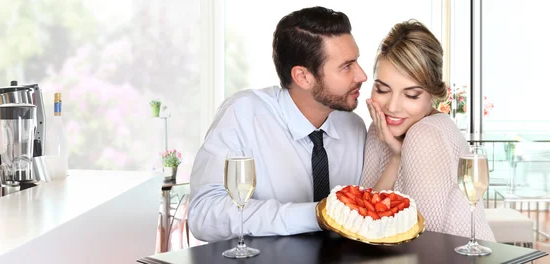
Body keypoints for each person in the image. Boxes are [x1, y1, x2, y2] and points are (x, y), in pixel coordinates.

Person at [188, 6, 368, 242]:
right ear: (303, 77)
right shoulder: (243, 115)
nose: (362, 75)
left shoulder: (354, 126)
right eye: (347, 66)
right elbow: (204, 215)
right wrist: (314, 215)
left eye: (357, 62)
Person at [360, 20, 495, 241]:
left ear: (433, 93)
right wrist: (396, 157)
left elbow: (425, 241)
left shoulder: (426, 134)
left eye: (411, 95)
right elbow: (365, 219)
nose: (392, 107)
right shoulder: (379, 127)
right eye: (382, 89)